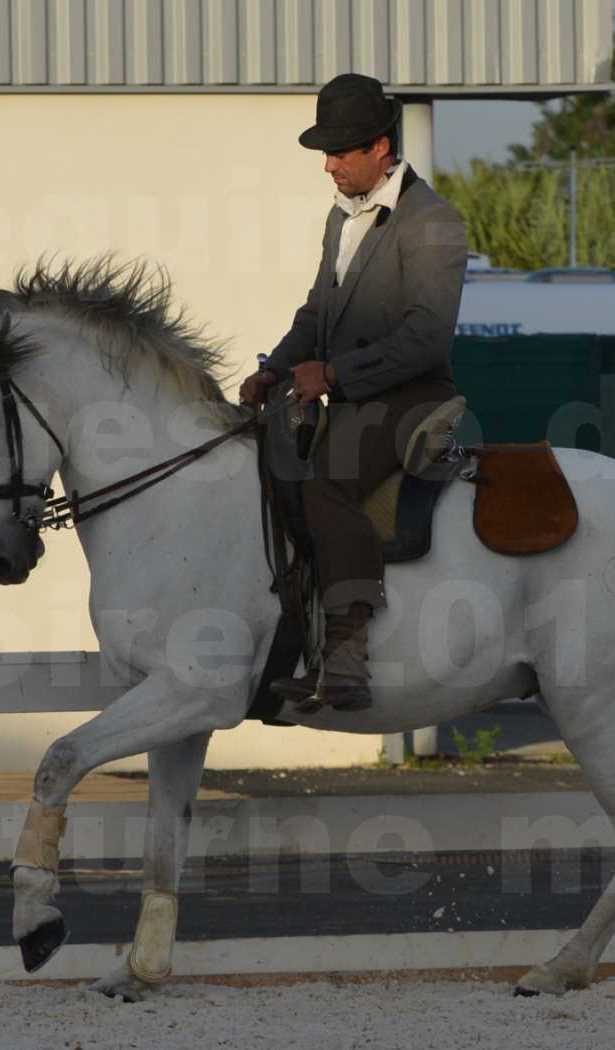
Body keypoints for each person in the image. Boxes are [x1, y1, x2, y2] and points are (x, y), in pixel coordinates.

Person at [239, 73, 468, 712]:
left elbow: (425, 339)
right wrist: (275, 368)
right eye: (325, 153)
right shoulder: (342, 219)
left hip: (413, 397)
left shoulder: (434, 221)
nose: (329, 165)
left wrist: (333, 377)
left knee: (327, 480)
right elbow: (317, 314)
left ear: (380, 147)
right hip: (356, 396)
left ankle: (345, 652)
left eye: (340, 151)